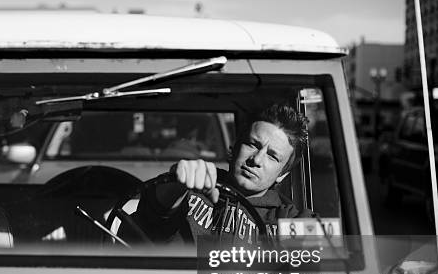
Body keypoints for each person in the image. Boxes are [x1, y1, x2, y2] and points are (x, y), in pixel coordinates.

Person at [132, 104, 313, 244]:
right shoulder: (193, 186)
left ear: (282, 174)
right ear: (233, 148)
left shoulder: (288, 220)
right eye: (252, 144)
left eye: (272, 156)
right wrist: (175, 184)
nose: (256, 160)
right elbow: (150, 219)